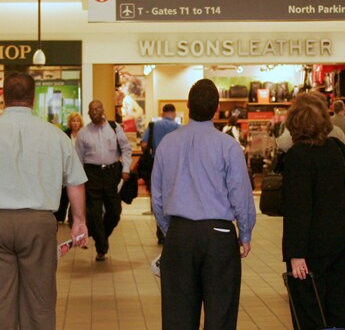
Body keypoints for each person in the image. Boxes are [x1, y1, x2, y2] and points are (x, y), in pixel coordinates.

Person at [152, 79, 256, 329]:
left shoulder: (167, 144)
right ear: (217, 108)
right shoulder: (228, 146)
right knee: (221, 313)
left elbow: (157, 197)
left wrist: (172, 230)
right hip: (219, 235)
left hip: (180, 233)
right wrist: (245, 232)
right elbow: (240, 194)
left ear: (187, 106)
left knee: (178, 315)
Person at [0, 73, 88, 330]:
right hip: (39, 224)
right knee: (40, 298)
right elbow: (75, 182)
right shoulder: (55, 136)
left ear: (4, 96)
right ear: (33, 98)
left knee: (2, 298)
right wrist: (79, 222)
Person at [282, 92, 345, 330]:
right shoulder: (336, 147)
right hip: (342, 239)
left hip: (312, 245)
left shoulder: (297, 156)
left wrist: (295, 254)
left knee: (309, 309)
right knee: (335, 303)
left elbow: (298, 208)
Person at [76, 100, 132, 262]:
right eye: (91, 109)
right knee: (94, 214)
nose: (95, 112)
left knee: (114, 212)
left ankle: (101, 237)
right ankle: (101, 247)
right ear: (88, 113)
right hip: (91, 174)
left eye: (97, 108)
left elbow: (127, 149)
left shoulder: (114, 128)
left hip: (111, 173)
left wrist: (126, 169)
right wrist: (78, 180)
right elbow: (78, 158)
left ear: (103, 110)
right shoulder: (83, 133)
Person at [140, 103, 179, 244]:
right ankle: (172, 231)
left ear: (162, 113)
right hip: (175, 168)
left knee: (157, 197)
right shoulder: (178, 128)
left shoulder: (153, 126)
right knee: (172, 197)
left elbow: (144, 144)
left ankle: (161, 232)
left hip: (156, 165)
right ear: (174, 114)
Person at [54, 111, 85, 223]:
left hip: (81, 165)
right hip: (67, 166)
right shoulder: (65, 134)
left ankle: (76, 216)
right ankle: (60, 217)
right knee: (64, 193)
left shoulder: (84, 134)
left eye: (77, 121)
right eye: (73, 121)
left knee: (78, 192)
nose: (75, 123)